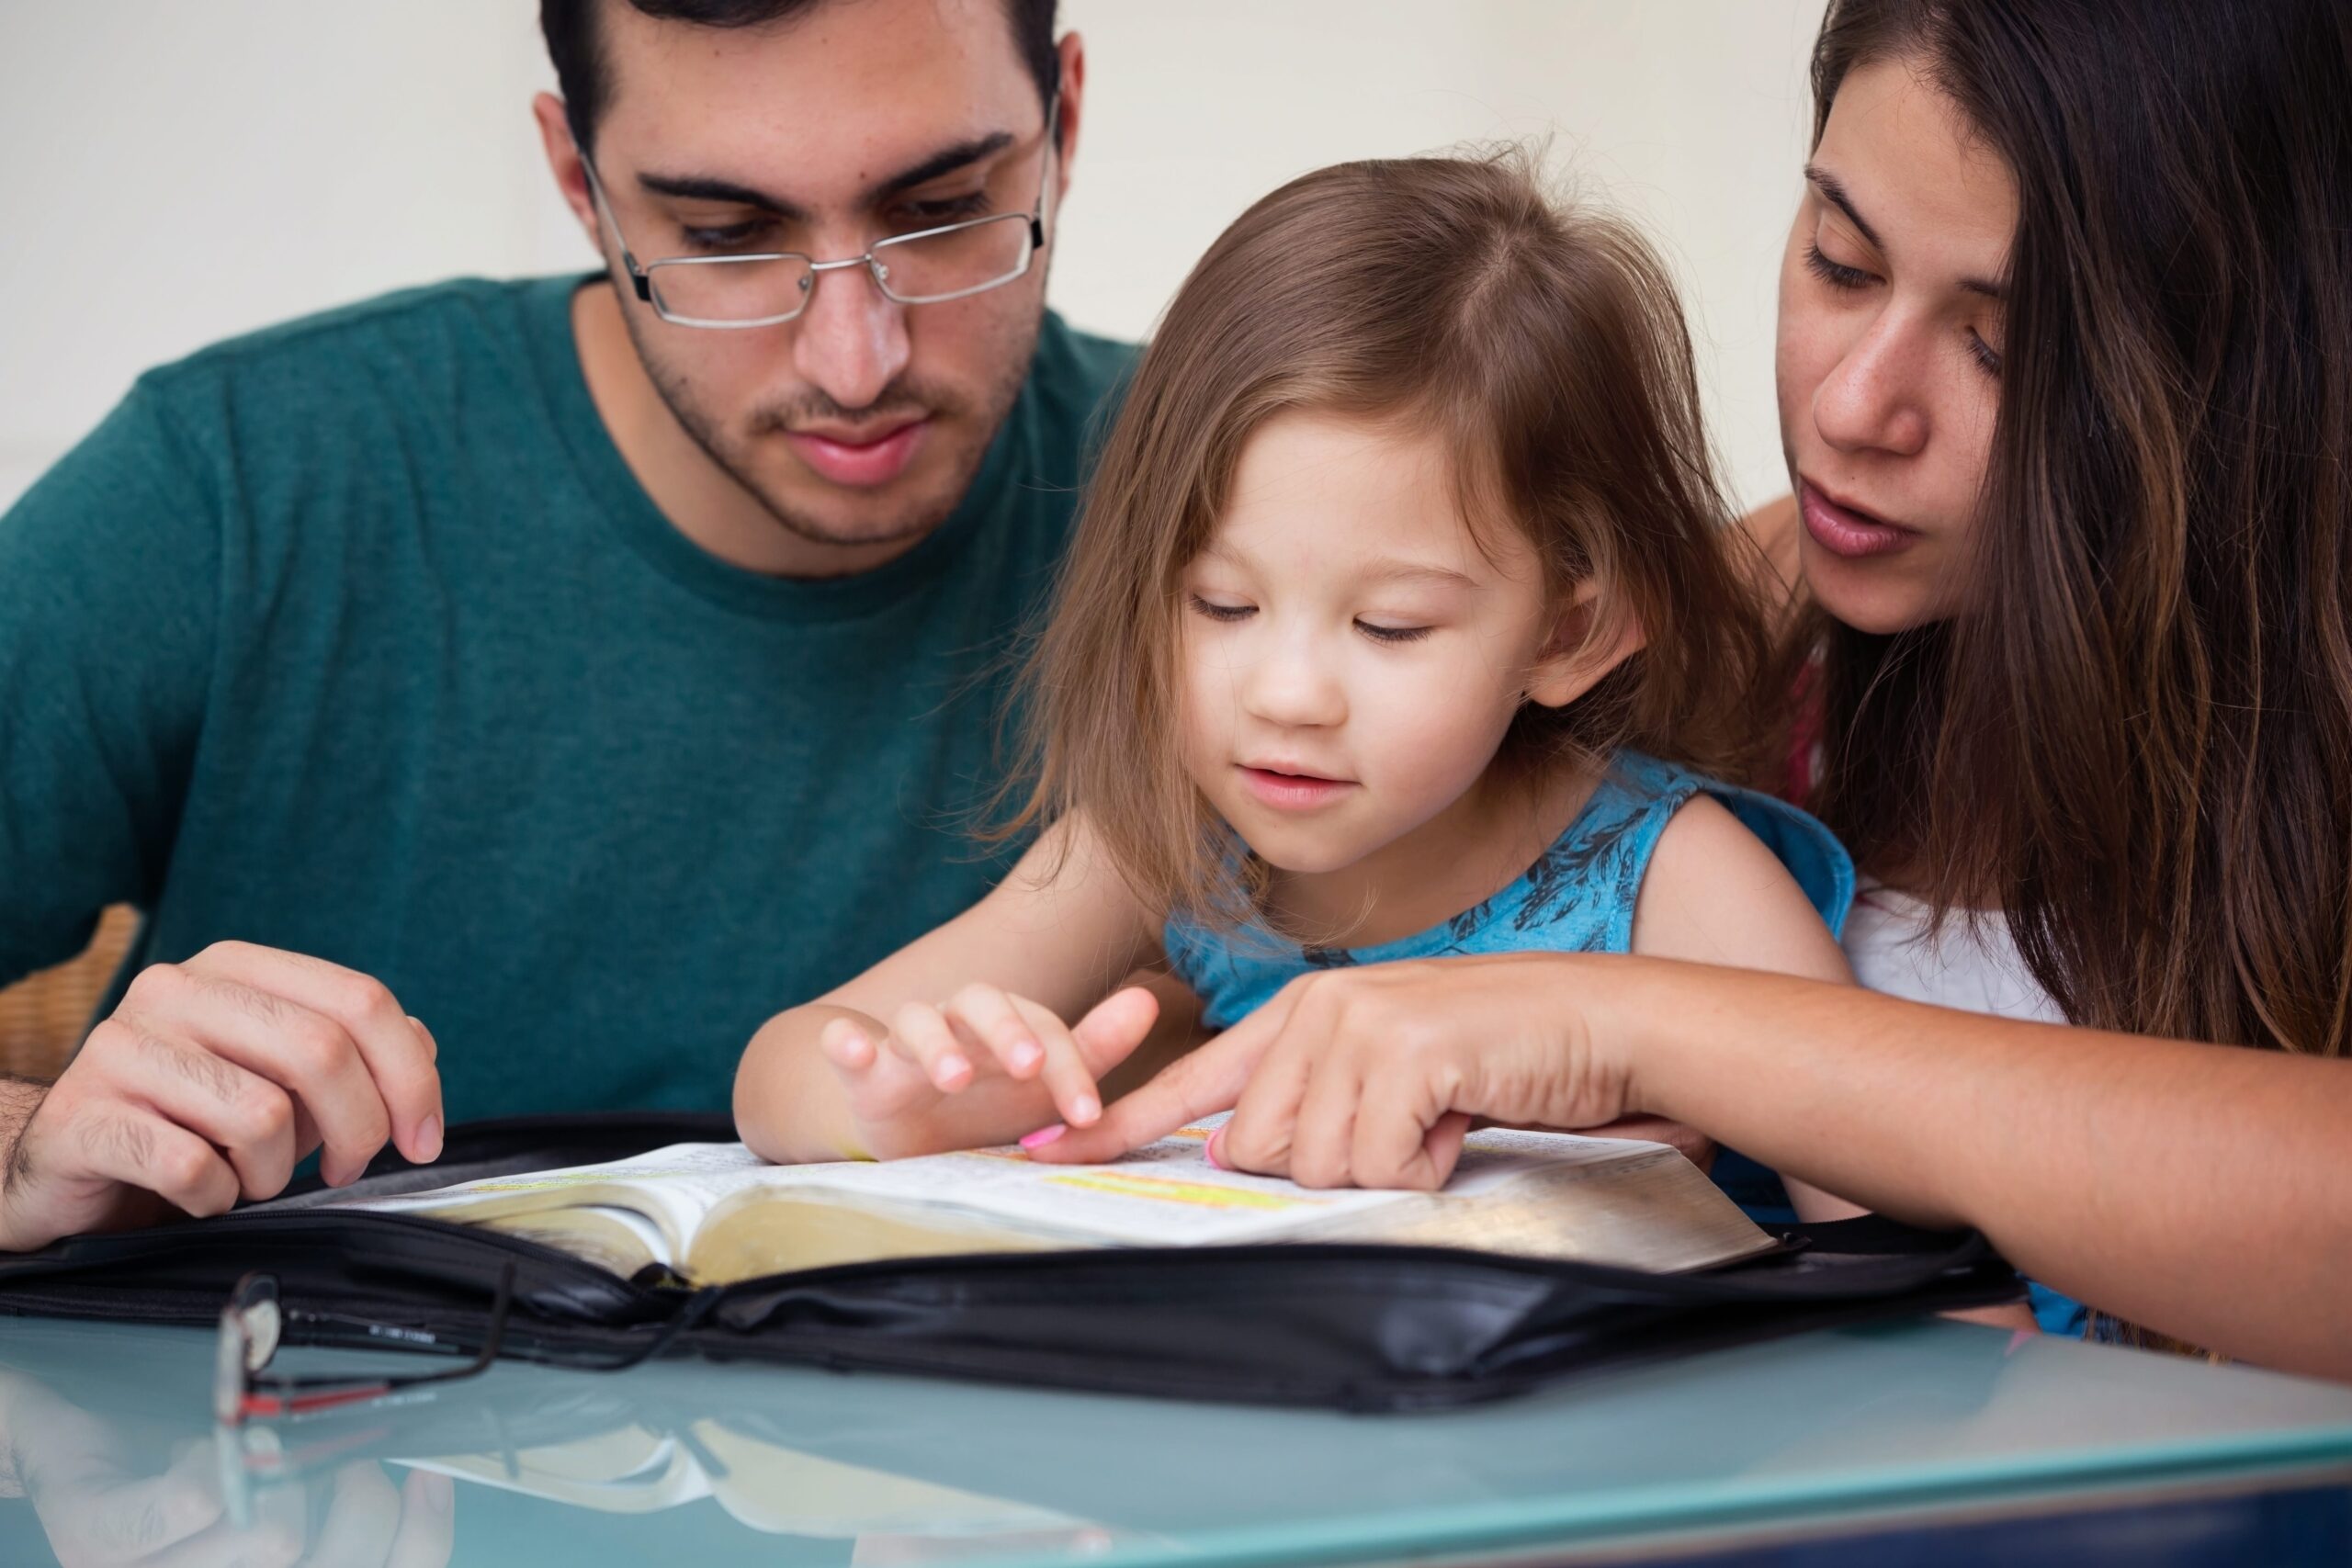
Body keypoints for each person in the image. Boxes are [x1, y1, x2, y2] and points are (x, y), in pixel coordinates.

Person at [1033, 0, 2352, 1381]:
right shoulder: (1695, 643)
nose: (1855, 409)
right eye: (1841, 262)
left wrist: (1635, 1028)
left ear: (2257, 361)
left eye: (2002, 347)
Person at [0, 0, 1137, 1253]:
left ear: (1065, 127)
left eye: (940, 210)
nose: (854, 358)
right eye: (724, 236)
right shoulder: (239, 485)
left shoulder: (1250, 501)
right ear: (577, 183)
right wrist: (19, 1151)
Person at [735, 152, 1858, 1233]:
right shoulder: (1160, 843)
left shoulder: (1677, 882)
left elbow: (1909, 1249)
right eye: (1220, 604)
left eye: (1388, 626)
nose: (1285, 696)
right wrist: (895, 1100)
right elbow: (781, 1068)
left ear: (1570, 629)